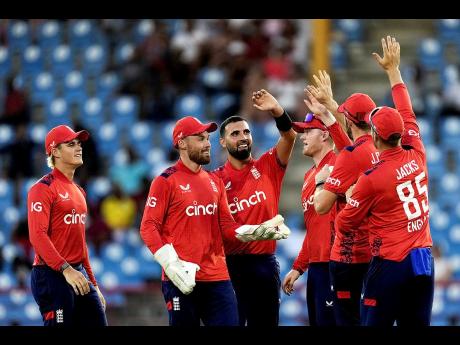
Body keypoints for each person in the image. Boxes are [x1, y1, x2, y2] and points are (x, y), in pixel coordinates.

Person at [139, 116, 290, 326]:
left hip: (218, 278)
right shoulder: (165, 181)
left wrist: (255, 232)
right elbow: (148, 227)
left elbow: (227, 227)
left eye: (208, 138)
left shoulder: (214, 182)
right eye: (200, 138)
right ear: (182, 143)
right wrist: (170, 263)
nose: (208, 143)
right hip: (181, 278)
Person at [335, 36, 433, 326]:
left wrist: (351, 194)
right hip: (423, 260)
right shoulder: (417, 151)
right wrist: (394, 71)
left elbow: (344, 224)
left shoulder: (371, 179)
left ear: (375, 136)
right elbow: (407, 111)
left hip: (390, 263)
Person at [212, 89, 296, 326]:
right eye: (235, 133)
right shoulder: (214, 181)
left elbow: (289, 136)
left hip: (264, 264)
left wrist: (277, 110)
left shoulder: (269, 166)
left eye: (246, 132)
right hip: (230, 265)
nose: (242, 137)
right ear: (222, 141)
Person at [304, 71, 377, 325]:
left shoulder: (349, 156)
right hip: (375, 252)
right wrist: (328, 114)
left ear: (349, 120)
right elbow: (352, 151)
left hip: (348, 256)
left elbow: (322, 206)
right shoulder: (379, 147)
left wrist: (321, 181)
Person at [27, 125, 107, 326]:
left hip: (77, 273)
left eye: (79, 143)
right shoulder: (42, 189)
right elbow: (37, 236)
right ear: (54, 151)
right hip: (51, 274)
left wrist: (94, 284)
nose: (79, 147)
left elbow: (81, 244)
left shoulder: (79, 191)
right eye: (71, 144)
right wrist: (65, 269)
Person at [281, 111, 350, 326]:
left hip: (337, 263)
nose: (302, 136)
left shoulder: (340, 165)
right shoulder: (310, 175)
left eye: (308, 131)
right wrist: (299, 266)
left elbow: (350, 150)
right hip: (317, 268)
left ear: (324, 135)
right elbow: (313, 228)